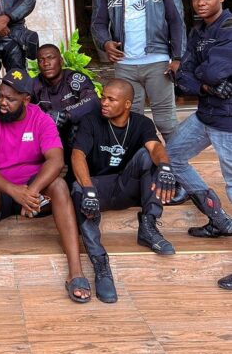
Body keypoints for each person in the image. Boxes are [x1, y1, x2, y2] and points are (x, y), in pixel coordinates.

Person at [0, 69, 91, 308]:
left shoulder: (41, 119)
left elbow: (56, 160)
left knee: (60, 185)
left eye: (10, 99)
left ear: (26, 100)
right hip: (1, 191)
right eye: (1, 95)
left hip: (34, 193)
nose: (2, 102)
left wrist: (31, 192)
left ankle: (75, 272)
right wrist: (14, 192)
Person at [71, 79, 177, 304]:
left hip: (127, 185)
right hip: (99, 188)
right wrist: (88, 188)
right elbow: (77, 155)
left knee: (150, 158)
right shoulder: (91, 121)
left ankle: (148, 226)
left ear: (127, 104)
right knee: (77, 187)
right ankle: (100, 264)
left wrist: (166, 167)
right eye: (103, 97)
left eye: (111, 99)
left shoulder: (142, 123)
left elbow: (156, 147)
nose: (104, 103)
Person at [164, 0, 232, 289]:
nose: (200, 3)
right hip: (205, 114)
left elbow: (215, 71)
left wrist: (200, 76)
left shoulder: (229, 28)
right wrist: (204, 85)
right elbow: (183, 77)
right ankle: (219, 220)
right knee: (172, 156)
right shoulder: (198, 31)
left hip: (228, 120)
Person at [90, 0, 185, 142]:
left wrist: (178, 57)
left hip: (158, 63)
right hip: (125, 65)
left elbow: (177, 22)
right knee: (129, 119)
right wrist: (105, 43)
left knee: (166, 120)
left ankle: (176, 160)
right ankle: (138, 159)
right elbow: (98, 24)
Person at [31, 44, 99, 182]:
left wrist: (67, 114)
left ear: (61, 61)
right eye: (41, 60)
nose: (46, 63)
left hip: (77, 135)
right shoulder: (34, 85)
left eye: (51, 58)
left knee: (79, 127)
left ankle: (83, 177)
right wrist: (45, 119)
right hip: (50, 136)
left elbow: (93, 100)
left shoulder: (74, 79)